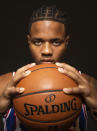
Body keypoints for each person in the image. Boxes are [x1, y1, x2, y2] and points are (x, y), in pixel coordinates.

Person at [0, 5, 97, 131]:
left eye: (56, 42)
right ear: (29, 41)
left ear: (66, 42)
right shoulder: (5, 85)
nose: (46, 51)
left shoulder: (86, 84)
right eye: (38, 42)